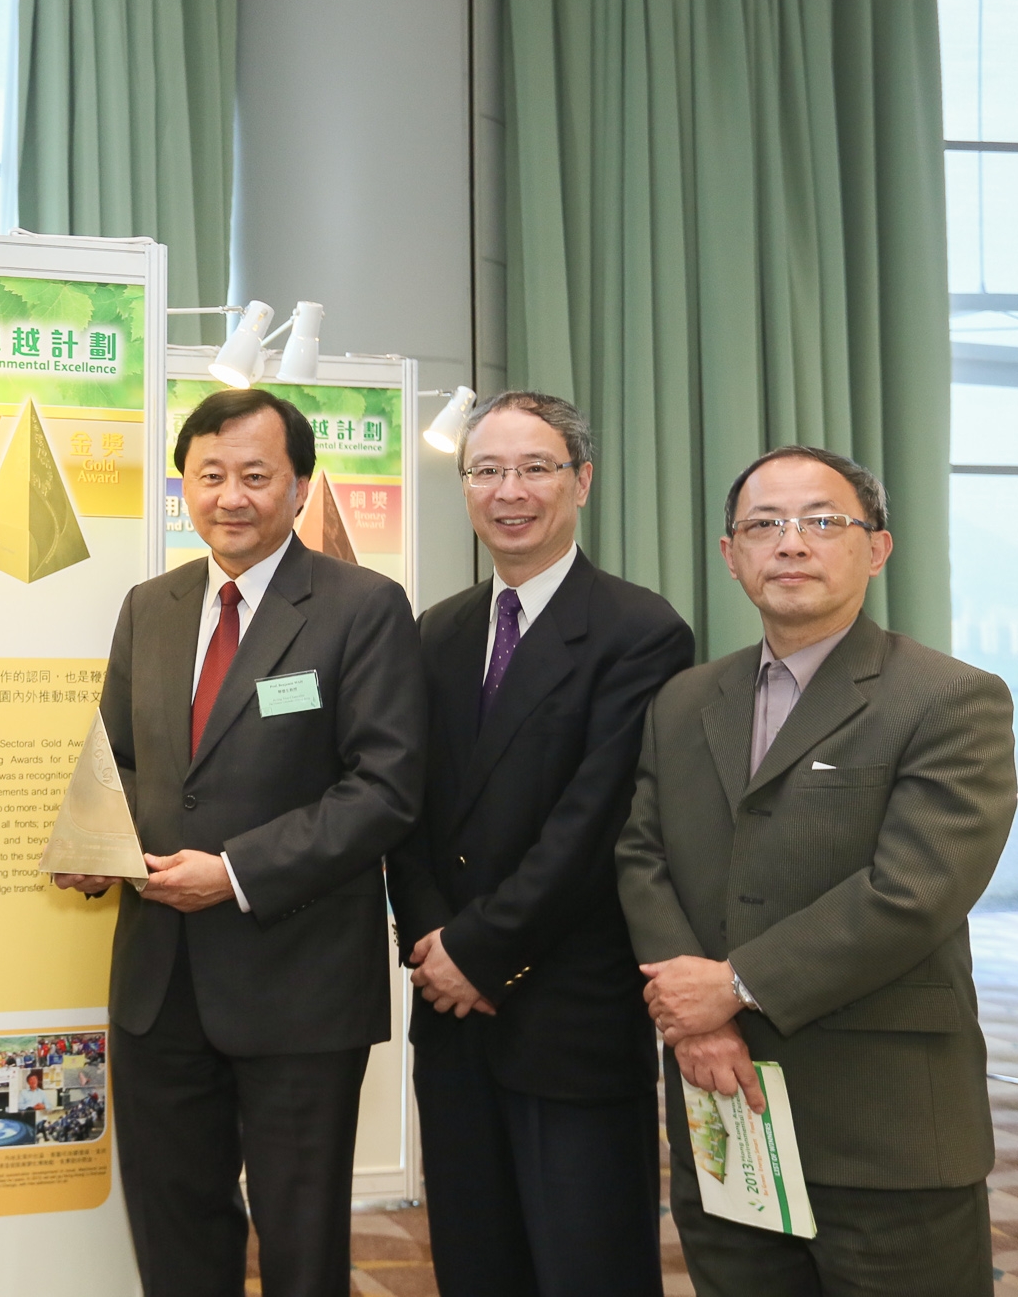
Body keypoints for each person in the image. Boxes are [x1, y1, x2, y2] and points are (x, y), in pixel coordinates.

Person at [618, 445, 1017, 1296]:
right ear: (731, 556)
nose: (790, 544)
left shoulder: (951, 698)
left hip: (884, 1126)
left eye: (822, 522)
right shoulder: (686, 701)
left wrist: (732, 985)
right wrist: (696, 1017)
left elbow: (914, 891)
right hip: (721, 1104)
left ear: (876, 548)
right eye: (764, 525)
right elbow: (641, 853)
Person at [53, 388, 424, 1297]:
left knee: (301, 1244)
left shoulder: (362, 606)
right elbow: (121, 762)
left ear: (298, 488)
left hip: (295, 977)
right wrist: (97, 846)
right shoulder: (153, 605)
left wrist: (237, 872)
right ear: (183, 484)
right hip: (159, 982)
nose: (231, 496)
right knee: (173, 1225)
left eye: (256, 476)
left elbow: (384, 788)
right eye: (209, 475)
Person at [387, 392, 693, 1296]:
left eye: (535, 468)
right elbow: (404, 810)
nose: (508, 491)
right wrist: (435, 945)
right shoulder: (436, 630)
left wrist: (479, 950)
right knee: (476, 1265)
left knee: (587, 1265)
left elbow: (595, 824)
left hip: (570, 1014)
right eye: (486, 470)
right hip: (451, 1015)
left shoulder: (641, 632)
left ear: (581, 481)